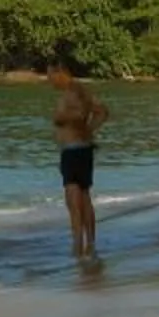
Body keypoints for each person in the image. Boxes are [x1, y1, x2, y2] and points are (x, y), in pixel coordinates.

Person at [47, 48, 109, 257]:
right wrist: (89, 131)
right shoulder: (79, 91)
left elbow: (91, 112)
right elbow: (100, 111)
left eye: (51, 74)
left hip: (75, 150)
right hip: (77, 149)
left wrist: (79, 126)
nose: (49, 79)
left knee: (73, 199)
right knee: (82, 196)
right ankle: (88, 241)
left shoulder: (74, 92)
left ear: (61, 72)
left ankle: (78, 243)